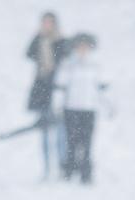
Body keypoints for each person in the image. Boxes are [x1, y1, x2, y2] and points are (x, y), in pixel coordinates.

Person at [55, 34, 109, 184]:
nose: (82, 49)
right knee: (72, 141)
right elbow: (60, 87)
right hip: (71, 108)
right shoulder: (68, 64)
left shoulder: (96, 66)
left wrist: (108, 105)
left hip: (89, 108)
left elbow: (102, 88)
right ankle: (69, 170)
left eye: (85, 46)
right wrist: (58, 105)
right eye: (80, 46)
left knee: (87, 142)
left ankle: (86, 172)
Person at [25, 12, 71, 178]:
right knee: (44, 130)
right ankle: (46, 169)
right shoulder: (39, 40)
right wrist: (39, 36)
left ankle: (62, 166)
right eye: (44, 22)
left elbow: (65, 61)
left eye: (50, 22)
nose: (47, 25)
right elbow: (28, 54)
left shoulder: (62, 41)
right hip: (42, 90)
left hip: (57, 89)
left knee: (60, 131)